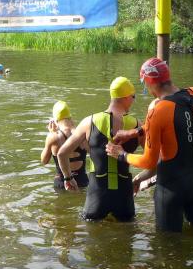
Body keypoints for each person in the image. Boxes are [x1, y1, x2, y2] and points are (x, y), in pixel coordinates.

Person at [107, 58, 193, 233]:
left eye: (144, 84)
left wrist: (121, 154)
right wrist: (133, 132)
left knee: (165, 245)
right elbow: (176, 125)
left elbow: (149, 161)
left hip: (171, 188)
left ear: (149, 82)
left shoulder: (158, 110)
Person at [57, 77, 140, 221]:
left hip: (96, 196)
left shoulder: (89, 122)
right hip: (124, 196)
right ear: (127, 97)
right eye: (133, 97)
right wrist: (140, 178)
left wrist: (68, 178)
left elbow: (62, 153)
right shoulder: (138, 126)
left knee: (91, 231)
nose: (133, 101)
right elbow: (156, 160)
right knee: (126, 233)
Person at [40, 101, 89, 189]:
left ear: (55, 120)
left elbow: (44, 161)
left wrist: (51, 134)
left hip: (62, 182)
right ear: (70, 117)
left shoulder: (53, 136)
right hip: (82, 181)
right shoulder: (82, 133)